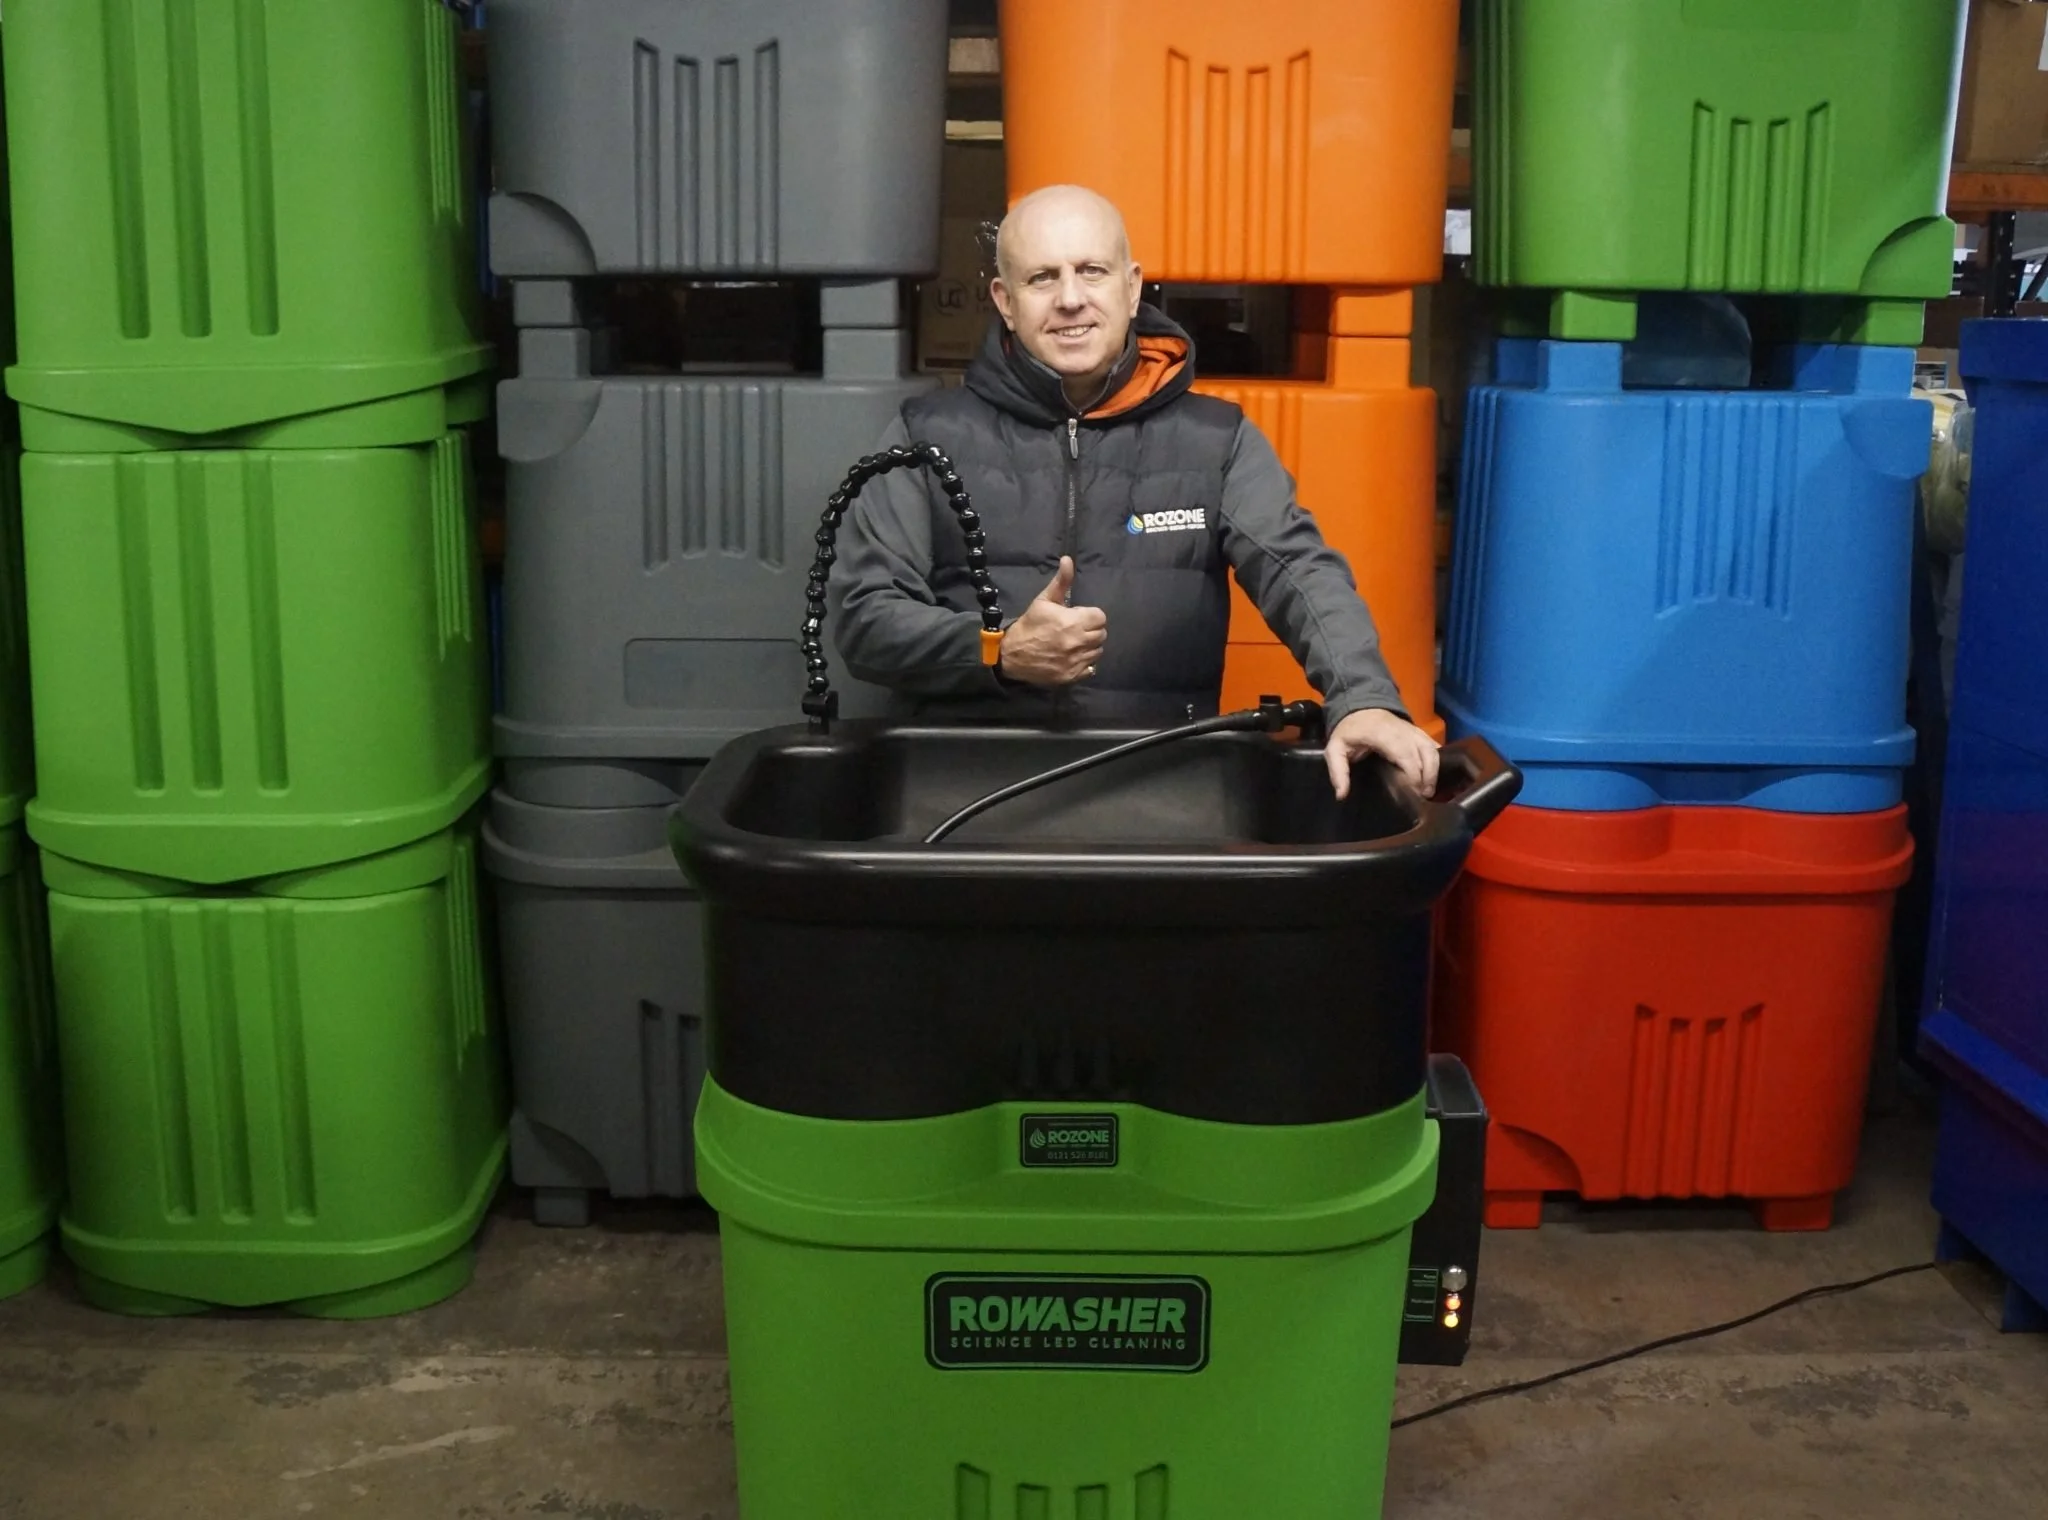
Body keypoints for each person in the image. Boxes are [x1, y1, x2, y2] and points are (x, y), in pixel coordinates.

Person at [833, 184, 1441, 799]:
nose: (1071, 298)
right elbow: (865, 620)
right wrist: (997, 650)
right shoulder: (924, 436)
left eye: (1091, 271)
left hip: (1159, 793)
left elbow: (1300, 570)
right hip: (963, 790)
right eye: (1043, 278)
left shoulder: (1216, 441)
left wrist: (1362, 698)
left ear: (1131, 286)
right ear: (1005, 301)